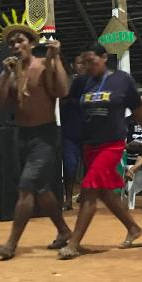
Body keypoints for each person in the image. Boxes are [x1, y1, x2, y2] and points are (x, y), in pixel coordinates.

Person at [58, 43, 142, 260]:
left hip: (112, 144)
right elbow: (67, 102)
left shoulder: (122, 80)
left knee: (89, 189)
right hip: (90, 145)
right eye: (85, 62)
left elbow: (137, 109)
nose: (89, 66)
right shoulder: (82, 82)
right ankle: (133, 228)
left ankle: (74, 243)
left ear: (104, 57)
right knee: (105, 193)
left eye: (93, 61)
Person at [0, 24, 74, 260]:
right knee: (40, 188)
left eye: (20, 41)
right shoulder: (8, 72)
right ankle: (64, 230)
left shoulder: (44, 65)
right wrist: (6, 76)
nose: (16, 46)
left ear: (32, 44)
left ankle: (11, 244)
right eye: (12, 43)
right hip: (22, 135)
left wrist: (55, 57)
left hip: (45, 136)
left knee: (27, 187)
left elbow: (62, 91)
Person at [60, 53, 86, 210]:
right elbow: (61, 101)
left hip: (89, 133)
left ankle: (84, 195)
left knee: (90, 167)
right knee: (69, 167)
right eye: (79, 63)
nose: (82, 65)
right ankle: (68, 199)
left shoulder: (93, 81)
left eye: (85, 63)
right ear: (72, 65)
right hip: (70, 132)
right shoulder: (67, 81)